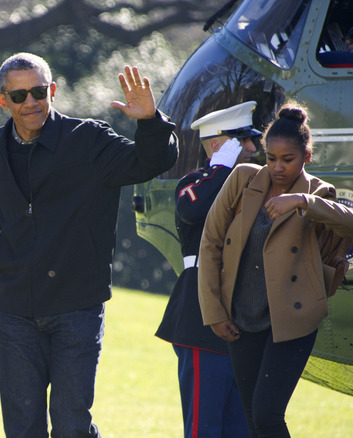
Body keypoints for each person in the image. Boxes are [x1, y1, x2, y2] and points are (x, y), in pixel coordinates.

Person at [0, 52, 178, 437]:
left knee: (70, 426)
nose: (31, 102)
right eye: (19, 95)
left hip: (76, 307)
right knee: (22, 428)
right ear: (2, 100)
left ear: (53, 91)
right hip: (15, 312)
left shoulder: (89, 139)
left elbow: (149, 161)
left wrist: (150, 122)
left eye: (39, 91)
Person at [198, 103, 353, 437]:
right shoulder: (243, 178)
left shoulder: (318, 192)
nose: (278, 168)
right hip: (241, 318)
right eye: (271, 158)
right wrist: (214, 311)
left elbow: (352, 223)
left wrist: (301, 202)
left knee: (267, 415)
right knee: (252, 419)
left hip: (292, 320)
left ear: (306, 156)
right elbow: (211, 242)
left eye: (288, 160)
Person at [155, 101, 261, 438]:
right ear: (219, 146)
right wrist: (220, 170)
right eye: (242, 140)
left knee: (242, 429)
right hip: (203, 312)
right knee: (205, 427)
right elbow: (193, 209)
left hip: (246, 314)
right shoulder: (196, 183)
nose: (253, 148)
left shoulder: (258, 187)